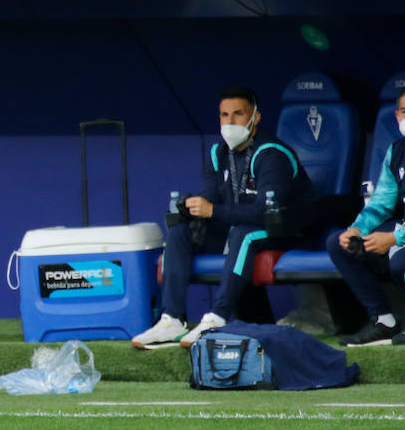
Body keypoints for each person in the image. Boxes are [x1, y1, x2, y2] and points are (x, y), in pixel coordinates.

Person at [132, 86, 318, 351]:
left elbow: (267, 212)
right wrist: (191, 206)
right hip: (239, 226)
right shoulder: (218, 153)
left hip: (285, 228)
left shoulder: (272, 153)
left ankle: (218, 316)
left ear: (255, 117)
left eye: (238, 114)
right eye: (224, 115)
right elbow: (211, 196)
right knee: (180, 233)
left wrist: (213, 211)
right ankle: (172, 318)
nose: (230, 122)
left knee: (245, 233)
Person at [329, 82, 405, 346]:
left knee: (403, 263)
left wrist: (395, 239)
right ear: (396, 116)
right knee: (340, 244)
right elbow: (381, 204)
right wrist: (356, 229)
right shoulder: (397, 151)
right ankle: (383, 320)